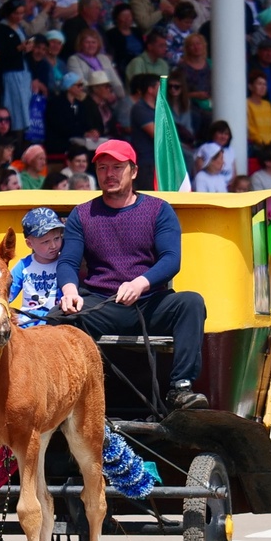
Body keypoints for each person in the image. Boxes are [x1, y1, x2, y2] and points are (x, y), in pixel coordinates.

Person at [49, 139, 206, 411]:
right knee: (56, 317)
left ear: (133, 171)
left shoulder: (159, 210)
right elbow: (68, 262)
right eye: (102, 168)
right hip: (102, 303)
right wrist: (70, 292)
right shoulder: (81, 214)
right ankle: (67, 396)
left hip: (149, 303)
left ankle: (181, 387)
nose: (109, 174)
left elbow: (171, 259)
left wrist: (141, 283)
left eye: (117, 167)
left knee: (191, 302)